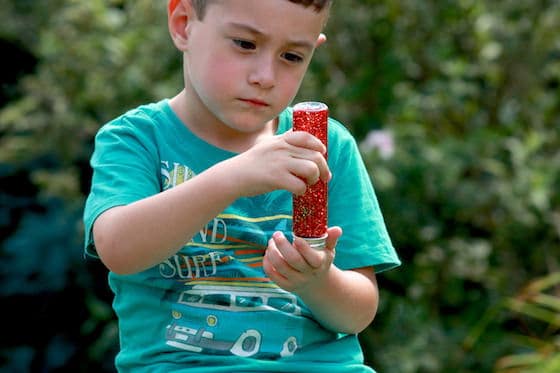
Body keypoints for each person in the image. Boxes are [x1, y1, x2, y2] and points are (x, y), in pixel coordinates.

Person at [83, 0, 401, 372]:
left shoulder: (323, 147)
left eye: (292, 56)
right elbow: (119, 249)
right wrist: (232, 177)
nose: (265, 76)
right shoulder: (136, 139)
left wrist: (316, 280)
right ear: (184, 24)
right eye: (245, 44)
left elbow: (357, 314)